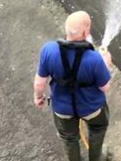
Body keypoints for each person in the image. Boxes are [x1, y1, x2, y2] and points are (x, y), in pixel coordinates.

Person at [33, 11, 112, 161]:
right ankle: (97, 157)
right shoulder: (95, 59)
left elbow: (39, 81)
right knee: (97, 129)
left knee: (69, 138)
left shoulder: (48, 50)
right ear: (85, 32)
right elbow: (105, 87)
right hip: (92, 108)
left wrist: (38, 97)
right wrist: (106, 65)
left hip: (63, 110)